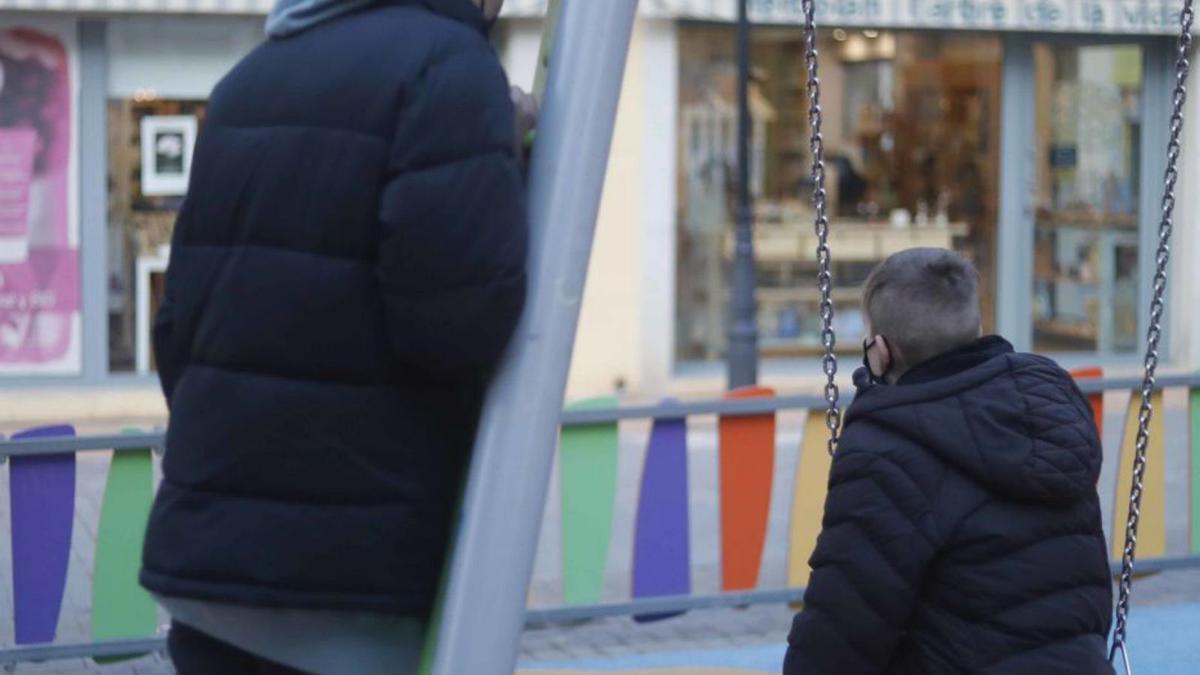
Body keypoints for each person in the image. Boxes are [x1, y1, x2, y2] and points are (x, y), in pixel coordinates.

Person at [140, 0, 533, 673]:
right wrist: (502, 159)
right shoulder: (449, 69)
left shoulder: (246, 82)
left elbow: (177, 331)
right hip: (345, 582)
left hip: (207, 568)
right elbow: (456, 326)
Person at [784, 248, 1113, 674]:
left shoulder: (886, 448)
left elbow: (837, 636)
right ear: (978, 328)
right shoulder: (1044, 404)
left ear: (880, 352)